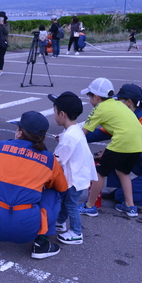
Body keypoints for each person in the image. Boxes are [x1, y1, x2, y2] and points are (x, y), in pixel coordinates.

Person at [0, 111, 68, 259]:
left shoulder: (0, 147)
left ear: (19, 133)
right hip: (27, 228)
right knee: (54, 193)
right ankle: (41, 243)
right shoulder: (49, 159)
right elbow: (62, 189)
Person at [88, 84, 142, 211]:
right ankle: (125, 189)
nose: (117, 103)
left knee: (120, 194)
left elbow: (140, 148)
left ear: (129, 102)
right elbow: (101, 133)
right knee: (114, 158)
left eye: (119, 100)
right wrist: (75, 136)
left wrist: (110, 153)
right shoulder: (128, 115)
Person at [79, 78, 142, 217]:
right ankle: (130, 206)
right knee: (123, 172)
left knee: (99, 173)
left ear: (96, 97)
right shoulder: (118, 104)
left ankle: (89, 206)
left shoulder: (99, 108)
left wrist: (66, 137)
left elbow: (83, 132)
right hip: (139, 141)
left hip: (122, 141)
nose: (89, 100)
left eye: (90, 96)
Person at [48, 92, 98, 245]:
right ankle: (60, 221)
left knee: (70, 204)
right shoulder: (74, 130)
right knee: (65, 200)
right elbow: (68, 139)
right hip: (78, 174)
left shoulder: (70, 137)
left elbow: (58, 159)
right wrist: (61, 137)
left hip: (75, 177)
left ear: (62, 114)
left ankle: (76, 232)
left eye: (54, 111)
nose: (54, 114)